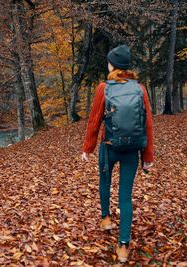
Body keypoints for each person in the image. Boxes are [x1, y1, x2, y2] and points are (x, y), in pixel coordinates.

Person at [81, 44, 154, 263]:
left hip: (109, 147)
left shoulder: (104, 87)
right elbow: (147, 124)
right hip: (132, 150)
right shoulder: (139, 89)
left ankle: (106, 218)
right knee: (125, 196)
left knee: (104, 182)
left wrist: (87, 148)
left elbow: (94, 121)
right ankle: (123, 245)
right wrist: (147, 158)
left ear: (113, 64)